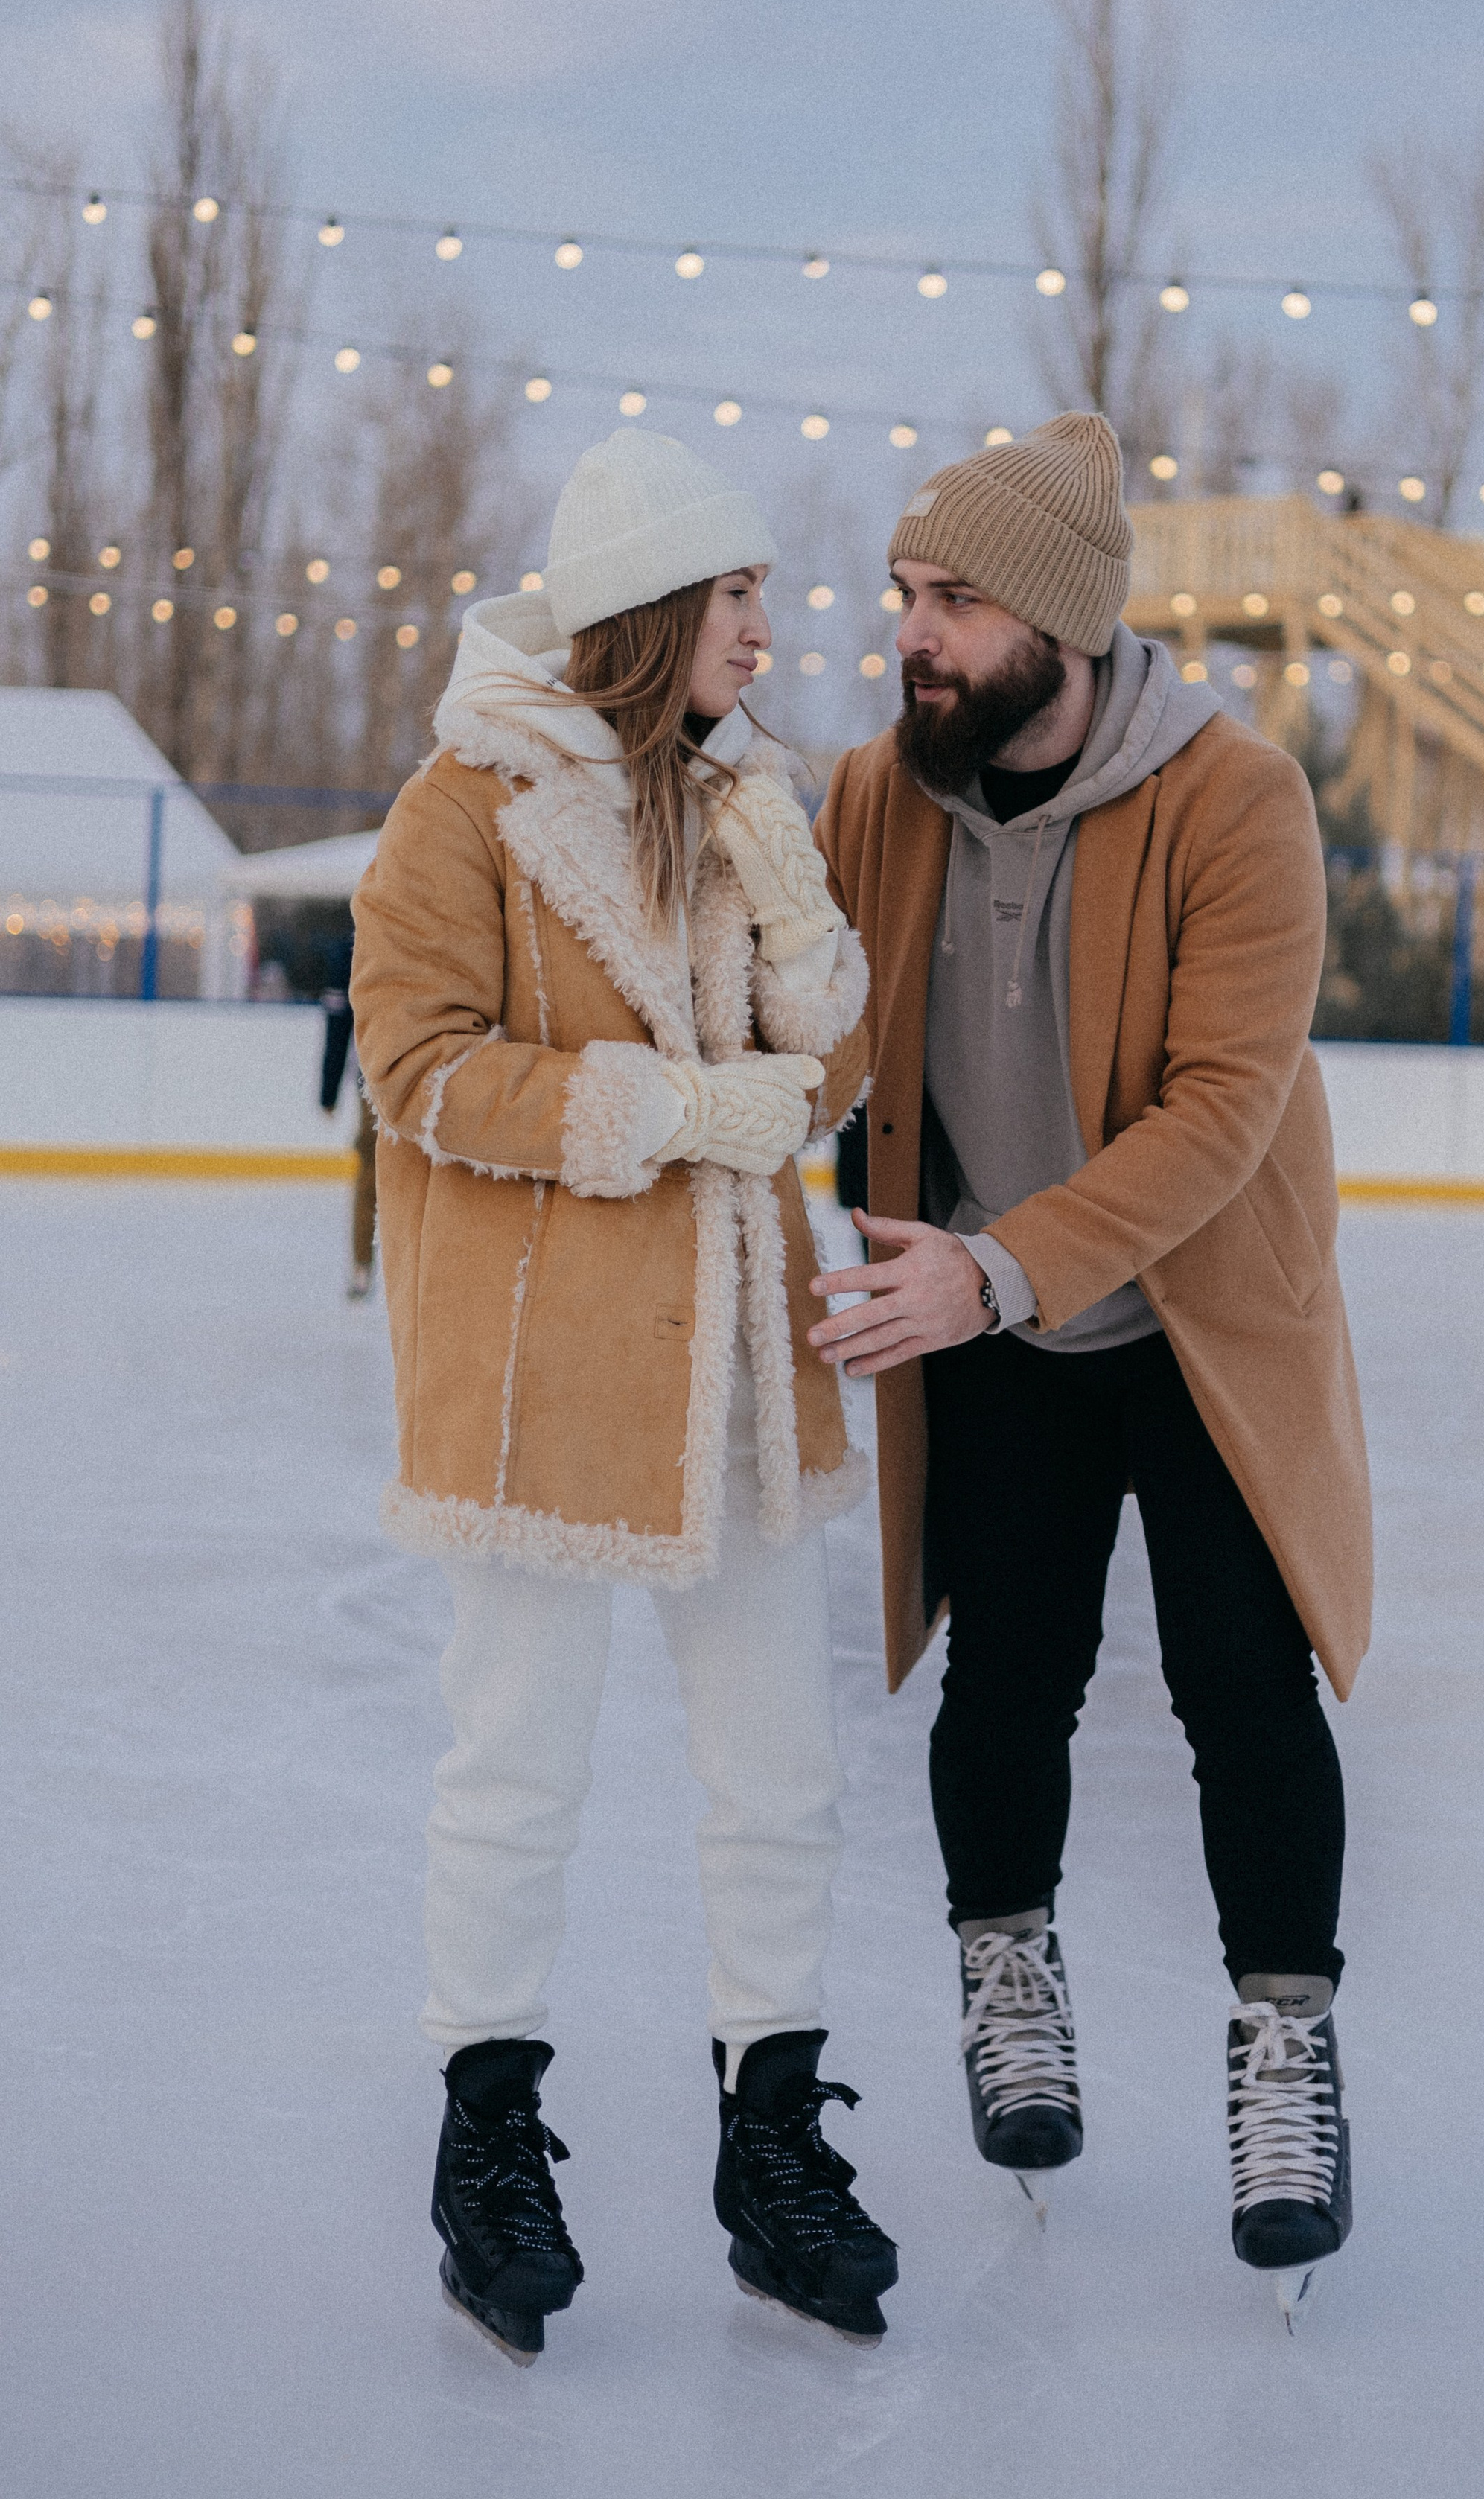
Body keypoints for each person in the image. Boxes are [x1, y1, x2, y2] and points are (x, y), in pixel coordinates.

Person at [811, 413, 1372, 2320]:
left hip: (1195, 1322)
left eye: (951, 597)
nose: (913, 630)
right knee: (1008, 1672)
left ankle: (1283, 2044)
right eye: (903, 593)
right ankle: (1006, 1971)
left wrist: (998, 1268)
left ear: (1058, 621)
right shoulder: (873, 796)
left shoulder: (1236, 801)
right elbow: (798, 1025)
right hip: (989, 1309)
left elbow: (1225, 1105)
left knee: (1239, 1677)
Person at [349, 429, 898, 2361]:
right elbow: (417, 1067)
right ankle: (486, 2146)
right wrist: (669, 1112)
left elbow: (813, 1069)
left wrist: (794, 919)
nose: (771, 624)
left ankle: (772, 2156)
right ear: (656, 613)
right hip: (548, 1383)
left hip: (750, 1370)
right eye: (739, 594)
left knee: (783, 1783)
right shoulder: (468, 810)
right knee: (516, 1772)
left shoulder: (744, 799)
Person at [318, 926, 378, 1298]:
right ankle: (361, 1264)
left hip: (424, 1076)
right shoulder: (352, 951)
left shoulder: (418, 936)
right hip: (372, 1082)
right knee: (371, 1173)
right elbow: (338, 1028)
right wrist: (328, 1092)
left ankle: (364, 1266)